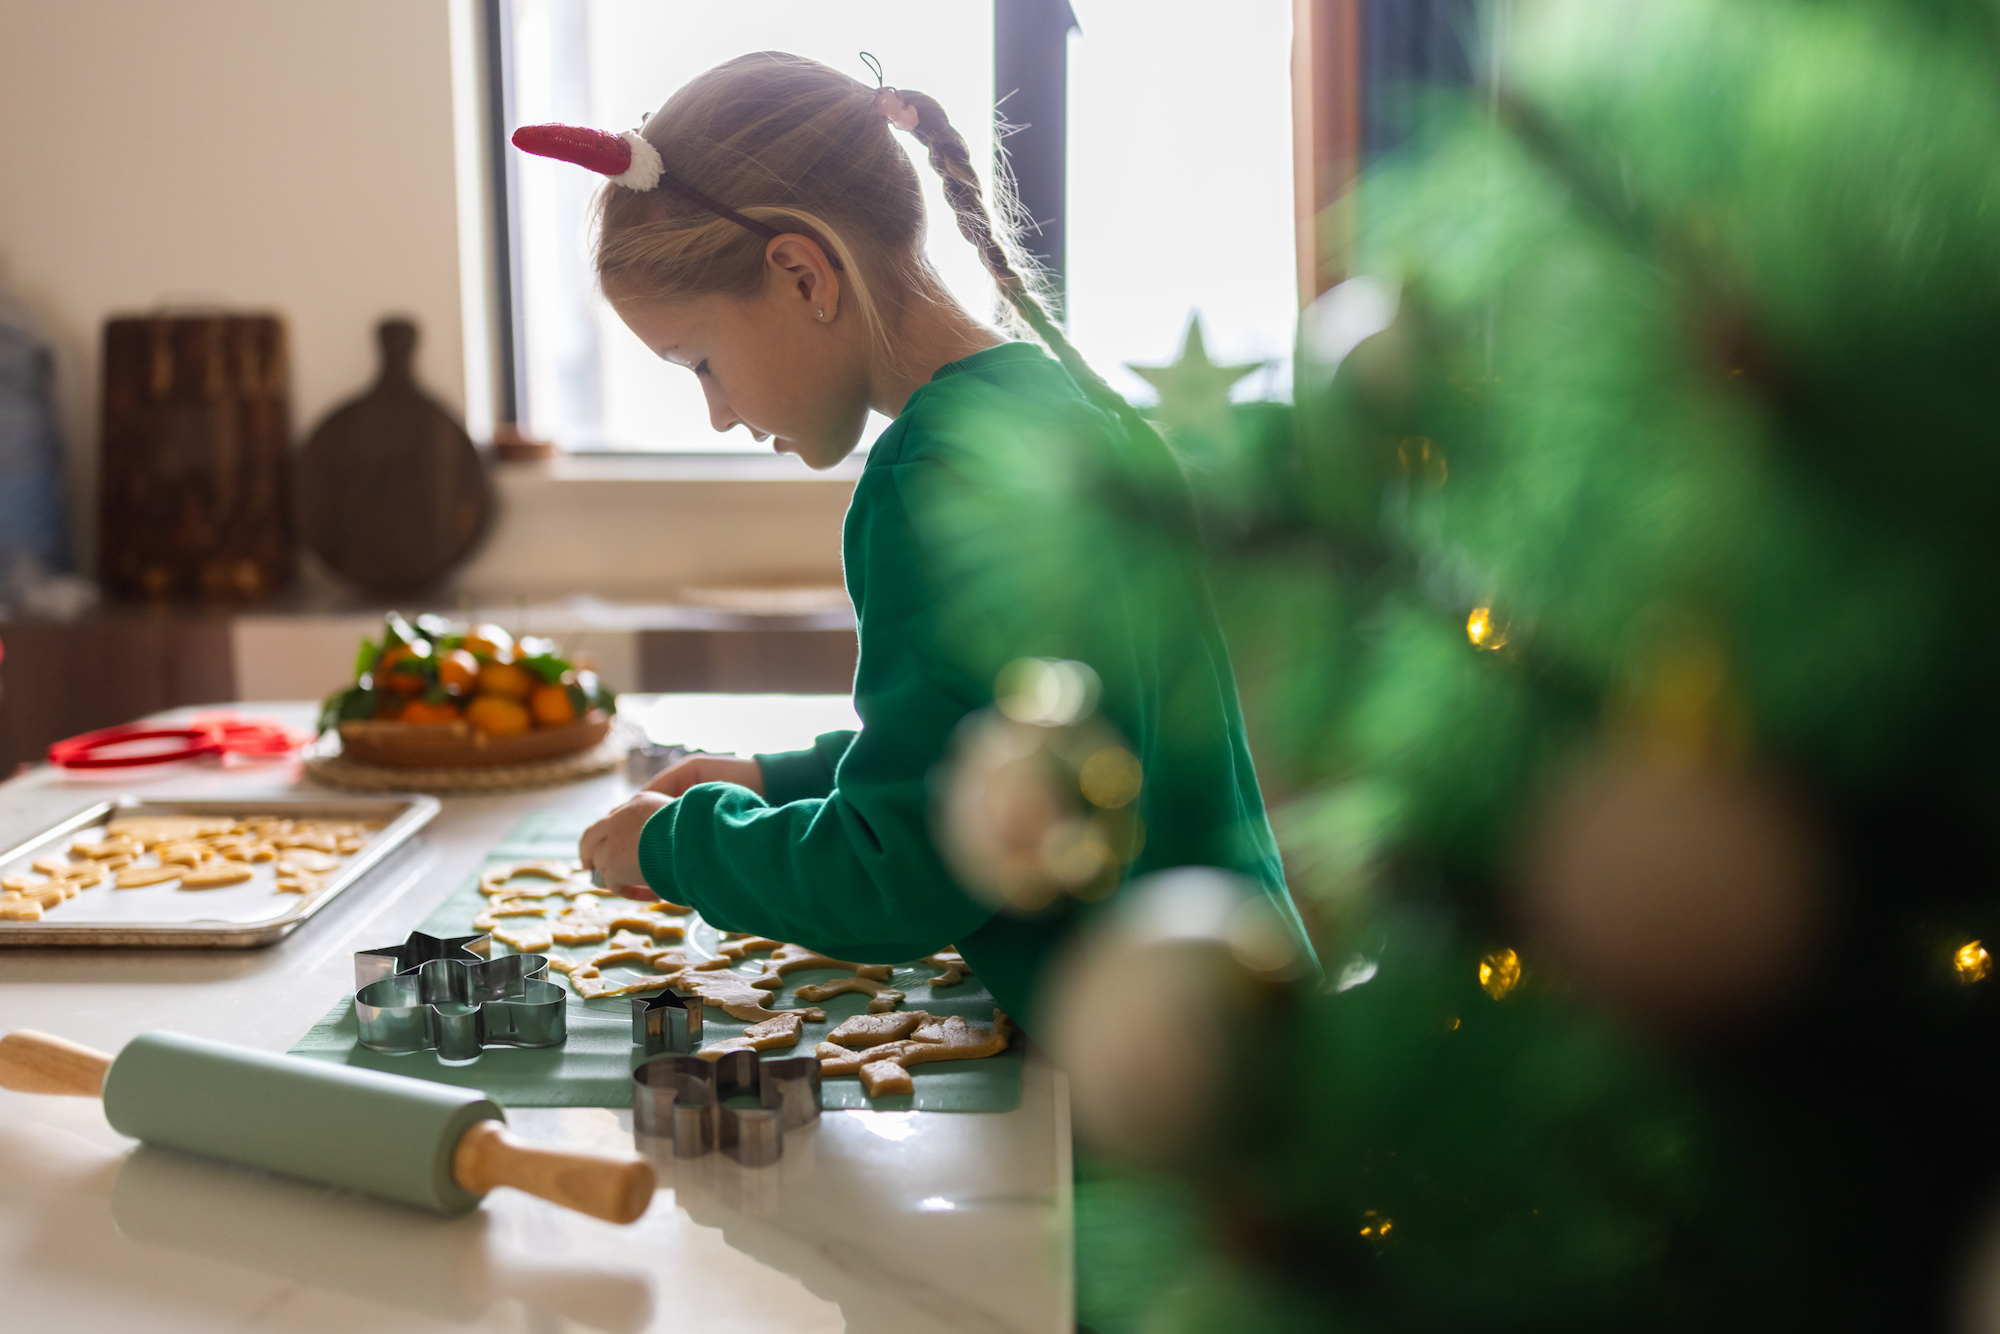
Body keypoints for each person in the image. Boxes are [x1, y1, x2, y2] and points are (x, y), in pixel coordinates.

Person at [530, 52, 1312, 1030]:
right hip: (1238, 997)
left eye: (700, 363)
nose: (720, 414)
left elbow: (897, 874)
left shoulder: (928, 478)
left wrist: (675, 845)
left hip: (1140, 1071)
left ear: (801, 272)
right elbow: (988, 752)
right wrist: (776, 779)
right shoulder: (1065, 408)